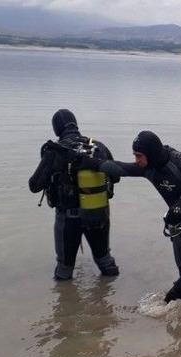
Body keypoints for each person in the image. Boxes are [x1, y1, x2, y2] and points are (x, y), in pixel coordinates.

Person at [85, 131, 181, 303]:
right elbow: (121, 168)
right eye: (135, 156)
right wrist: (90, 163)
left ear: (151, 153)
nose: (137, 160)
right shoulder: (148, 169)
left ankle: (166, 309)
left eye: (139, 156)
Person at [29, 109, 119, 280]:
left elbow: (34, 185)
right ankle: (113, 297)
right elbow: (115, 176)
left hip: (68, 219)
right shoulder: (98, 147)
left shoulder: (54, 151)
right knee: (105, 262)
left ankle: (66, 304)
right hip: (98, 213)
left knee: (64, 270)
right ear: (75, 124)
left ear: (56, 129)